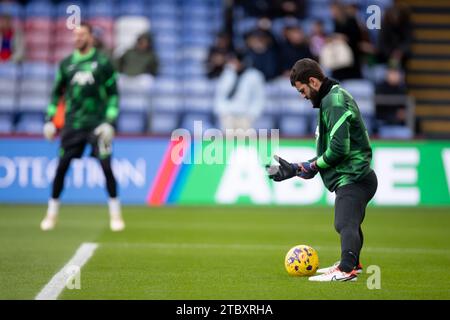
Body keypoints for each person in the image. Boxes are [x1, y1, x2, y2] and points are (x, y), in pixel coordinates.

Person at [266, 58, 377, 281]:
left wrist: (312, 165)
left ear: (314, 82)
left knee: (345, 223)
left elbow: (338, 149)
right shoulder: (331, 98)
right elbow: (331, 150)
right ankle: (352, 263)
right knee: (351, 222)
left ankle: (346, 270)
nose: (303, 95)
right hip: (356, 175)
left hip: (353, 176)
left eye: (302, 90)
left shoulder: (333, 101)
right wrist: (299, 168)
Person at [41, 23, 125, 232]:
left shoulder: (103, 63)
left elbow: (114, 94)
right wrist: (50, 119)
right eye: (75, 35)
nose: (77, 38)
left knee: (106, 167)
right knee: (62, 167)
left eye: (82, 34)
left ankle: (115, 214)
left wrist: (110, 122)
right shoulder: (66, 64)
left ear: (91, 37)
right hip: (73, 125)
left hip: (97, 126)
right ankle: (52, 214)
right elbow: (56, 94)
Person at [214, 50, 266, 131]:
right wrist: (222, 112)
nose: (232, 64)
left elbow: (258, 98)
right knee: (228, 140)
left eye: (235, 61)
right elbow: (220, 94)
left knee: (244, 141)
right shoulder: (227, 74)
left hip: (245, 116)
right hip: (228, 115)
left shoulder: (254, 76)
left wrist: (251, 115)